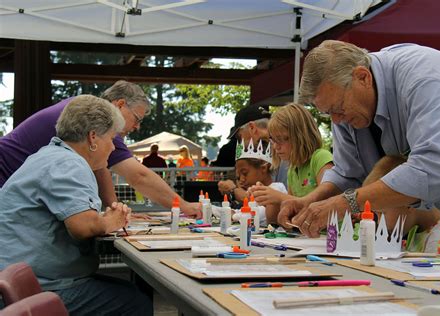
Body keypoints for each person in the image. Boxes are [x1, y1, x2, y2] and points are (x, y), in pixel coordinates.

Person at [278, 40, 440, 253]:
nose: (335, 120)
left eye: (338, 108)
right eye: (327, 112)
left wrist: (345, 204)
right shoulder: (347, 105)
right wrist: (310, 201)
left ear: (363, 77)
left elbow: (433, 169)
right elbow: (348, 174)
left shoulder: (424, 77)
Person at [0, 95, 153, 315]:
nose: (112, 148)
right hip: (38, 287)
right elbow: (84, 227)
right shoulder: (69, 163)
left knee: (128, 292)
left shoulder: (47, 155)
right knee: (136, 303)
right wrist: (112, 220)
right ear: (93, 138)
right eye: (111, 139)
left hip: (20, 279)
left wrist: (104, 218)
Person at [0, 80, 201, 218]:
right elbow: (139, 176)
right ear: (120, 104)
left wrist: (115, 208)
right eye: (137, 119)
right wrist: (183, 206)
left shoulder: (87, 110)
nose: (136, 127)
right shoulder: (97, 119)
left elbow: (101, 167)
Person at [361, 156, 440, 262]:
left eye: (382, 213)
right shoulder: (417, 230)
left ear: (407, 200)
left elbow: (438, 281)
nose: (380, 222)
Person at [251, 103, 333, 205]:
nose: (276, 146)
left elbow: (329, 202)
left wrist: (279, 197)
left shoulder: (321, 158)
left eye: (282, 139)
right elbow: (293, 209)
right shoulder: (292, 170)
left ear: (301, 136)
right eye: (273, 140)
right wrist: (265, 197)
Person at [218, 104, 289, 202]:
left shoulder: (284, 154)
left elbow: (282, 199)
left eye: (239, 137)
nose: (240, 142)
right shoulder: (281, 150)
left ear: (252, 128)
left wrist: (234, 191)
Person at [235, 139, 287, 224]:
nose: (241, 179)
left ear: (263, 168)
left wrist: (233, 215)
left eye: (245, 173)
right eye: (238, 176)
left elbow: (257, 214)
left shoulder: (276, 188)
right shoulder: (253, 193)